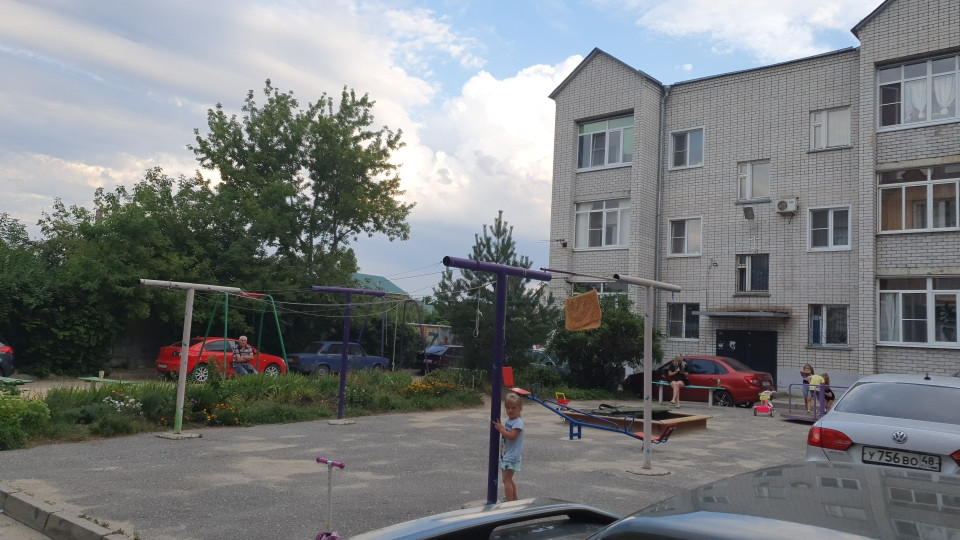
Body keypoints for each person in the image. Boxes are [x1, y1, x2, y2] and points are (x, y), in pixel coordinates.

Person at [493, 393, 524, 502]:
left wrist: (501, 429)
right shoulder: (510, 421)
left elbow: (512, 436)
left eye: (514, 408)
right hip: (507, 454)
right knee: (508, 480)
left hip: (511, 456)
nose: (510, 410)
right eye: (508, 407)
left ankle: (509, 502)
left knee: (506, 480)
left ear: (520, 409)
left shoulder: (518, 423)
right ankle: (514, 499)